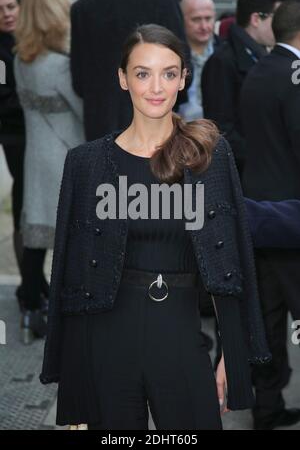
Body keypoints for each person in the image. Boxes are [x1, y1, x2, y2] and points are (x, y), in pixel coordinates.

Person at [40, 24, 270, 430]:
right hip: (106, 343)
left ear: (184, 78)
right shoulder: (86, 163)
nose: (156, 86)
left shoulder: (209, 158)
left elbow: (228, 264)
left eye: (169, 72)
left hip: (181, 340)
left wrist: (230, 357)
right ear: (123, 78)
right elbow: (71, 278)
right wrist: (73, 389)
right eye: (143, 73)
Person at [240, 0, 300, 430]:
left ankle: (267, 406)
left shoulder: (259, 68)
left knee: (268, 318)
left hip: (257, 213)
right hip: (291, 216)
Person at [14, 0, 84, 344]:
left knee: (38, 235)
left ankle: (30, 306)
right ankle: (65, 310)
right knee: (69, 236)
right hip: (65, 151)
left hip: (36, 153)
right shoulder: (60, 64)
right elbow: (82, 110)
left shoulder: (20, 59)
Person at [70, 0, 191, 142]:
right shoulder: (165, 1)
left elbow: (78, 82)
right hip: (156, 122)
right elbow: (184, 69)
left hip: (102, 123)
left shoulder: (82, 9)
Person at [201, 0, 284, 174]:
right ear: (256, 19)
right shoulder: (222, 62)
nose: (282, 26)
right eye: (277, 18)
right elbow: (221, 130)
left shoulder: (260, 55)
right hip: (245, 175)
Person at [0, 0, 26, 306]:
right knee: (24, 200)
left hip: (40, 131)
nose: (6, 14)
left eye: (10, 7)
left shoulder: (30, 41)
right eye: (0, 10)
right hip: (15, 134)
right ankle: (28, 283)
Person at [178, 0, 221, 121]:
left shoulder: (228, 53)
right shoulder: (171, 55)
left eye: (208, 18)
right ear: (181, 18)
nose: (204, 26)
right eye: (196, 19)